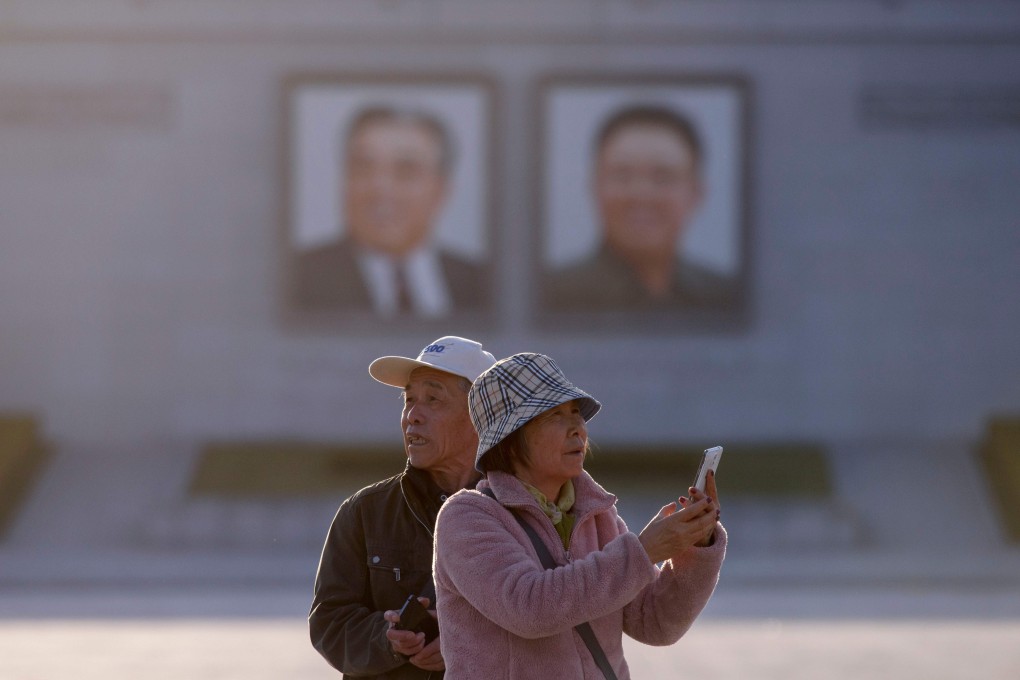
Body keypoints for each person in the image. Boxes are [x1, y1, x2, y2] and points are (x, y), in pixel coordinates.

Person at [433, 353, 726, 679]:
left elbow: (655, 623)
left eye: (576, 412)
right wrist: (644, 551)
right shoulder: (467, 517)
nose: (577, 428)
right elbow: (529, 608)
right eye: (554, 415)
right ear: (510, 439)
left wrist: (696, 545)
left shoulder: (599, 515)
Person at [310, 335, 497, 678]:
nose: (413, 415)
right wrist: (389, 640)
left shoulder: (520, 509)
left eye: (433, 399)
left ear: (481, 414)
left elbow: (555, 619)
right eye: (409, 400)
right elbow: (328, 623)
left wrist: (467, 638)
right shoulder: (364, 512)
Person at [294, 106, 490, 318]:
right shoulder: (294, 278)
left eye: (405, 171)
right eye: (362, 168)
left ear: (441, 190)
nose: (380, 188)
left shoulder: (483, 282)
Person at [544, 104, 738, 311]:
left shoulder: (727, 297)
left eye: (663, 177)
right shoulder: (548, 295)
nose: (642, 195)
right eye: (622, 175)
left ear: (697, 193)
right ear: (594, 187)